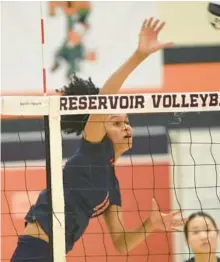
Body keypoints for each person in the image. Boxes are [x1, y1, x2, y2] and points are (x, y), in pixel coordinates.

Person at [11, 18, 186, 262]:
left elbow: (121, 242)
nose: (126, 127)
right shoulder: (92, 150)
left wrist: (151, 224)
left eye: (126, 122)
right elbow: (105, 98)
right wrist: (139, 55)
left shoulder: (111, 183)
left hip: (57, 254)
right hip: (36, 250)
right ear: (99, 127)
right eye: (116, 123)